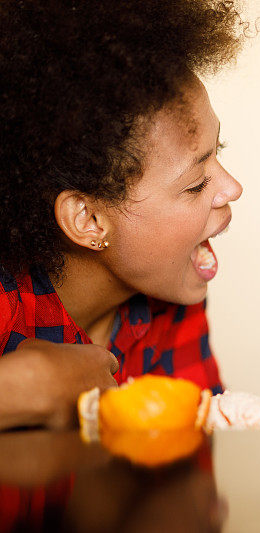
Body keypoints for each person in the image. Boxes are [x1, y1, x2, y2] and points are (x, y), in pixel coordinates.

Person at [0, 0, 245, 430]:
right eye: (194, 184)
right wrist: (32, 383)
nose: (232, 189)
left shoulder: (171, 301)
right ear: (88, 219)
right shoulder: (8, 304)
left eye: (217, 153)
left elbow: (194, 470)